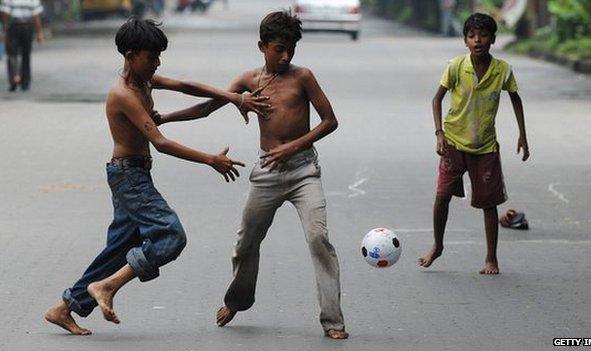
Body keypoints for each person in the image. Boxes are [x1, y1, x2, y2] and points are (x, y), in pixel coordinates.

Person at [43, 17, 269, 335]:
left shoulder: (143, 80)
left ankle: (64, 307)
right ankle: (107, 287)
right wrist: (210, 160)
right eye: (151, 57)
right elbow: (160, 143)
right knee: (171, 236)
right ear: (131, 54)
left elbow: (186, 86)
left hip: (134, 174)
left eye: (158, 57)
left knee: (119, 249)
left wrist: (233, 97)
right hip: (128, 177)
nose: (156, 63)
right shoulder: (124, 94)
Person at [155, 10, 349, 339]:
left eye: (291, 49)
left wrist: (292, 147)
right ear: (262, 46)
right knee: (246, 242)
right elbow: (208, 106)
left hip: (303, 170)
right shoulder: (249, 81)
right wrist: (166, 119)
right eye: (278, 49)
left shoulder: (303, 77)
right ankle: (237, 300)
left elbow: (330, 121)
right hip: (267, 173)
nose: (286, 56)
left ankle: (333, 320)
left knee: (319, 239)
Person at [418, 13, 529, 275]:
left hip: (485, 147)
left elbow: (516, 99)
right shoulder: (457, 66)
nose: (477, 40)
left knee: (488, 204)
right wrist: (439, 134)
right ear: (465, 40)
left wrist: (523, 135)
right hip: (453, 143)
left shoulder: (502, 70)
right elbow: (436, 100)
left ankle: (491, 258)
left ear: (492, 39)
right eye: (471, 36)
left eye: (483, 35)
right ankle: (438, 245)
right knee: (442, 196)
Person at [0, 0, 44, 91]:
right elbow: (36, 15)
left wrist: (4, 29)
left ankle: (17, 78)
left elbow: (5, 13)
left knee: (17, 53)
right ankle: (22, 81)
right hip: (20, 26)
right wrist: (39, 32)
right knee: (17, 53)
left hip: (19, 26)